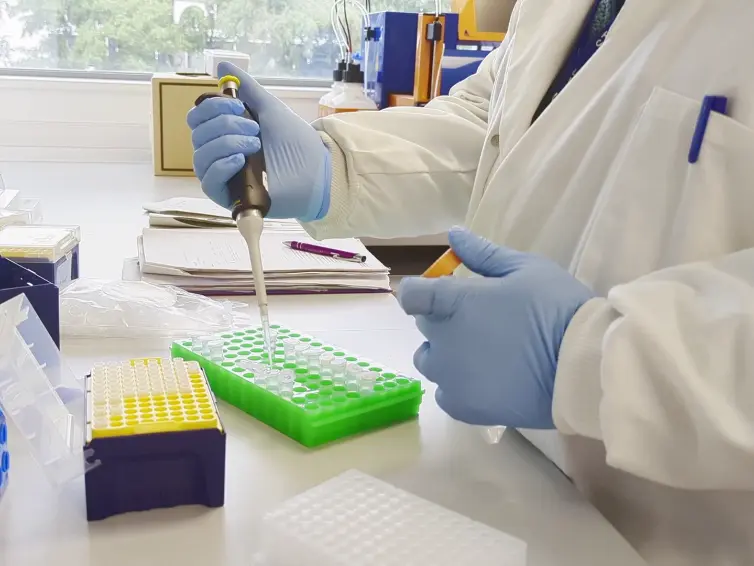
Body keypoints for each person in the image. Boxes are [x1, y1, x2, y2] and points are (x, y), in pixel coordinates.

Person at [187, 0, 754, 563]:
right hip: (518, 487)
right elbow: (496, 119)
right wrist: (335, 165)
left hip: (677, 535)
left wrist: (591, 359)